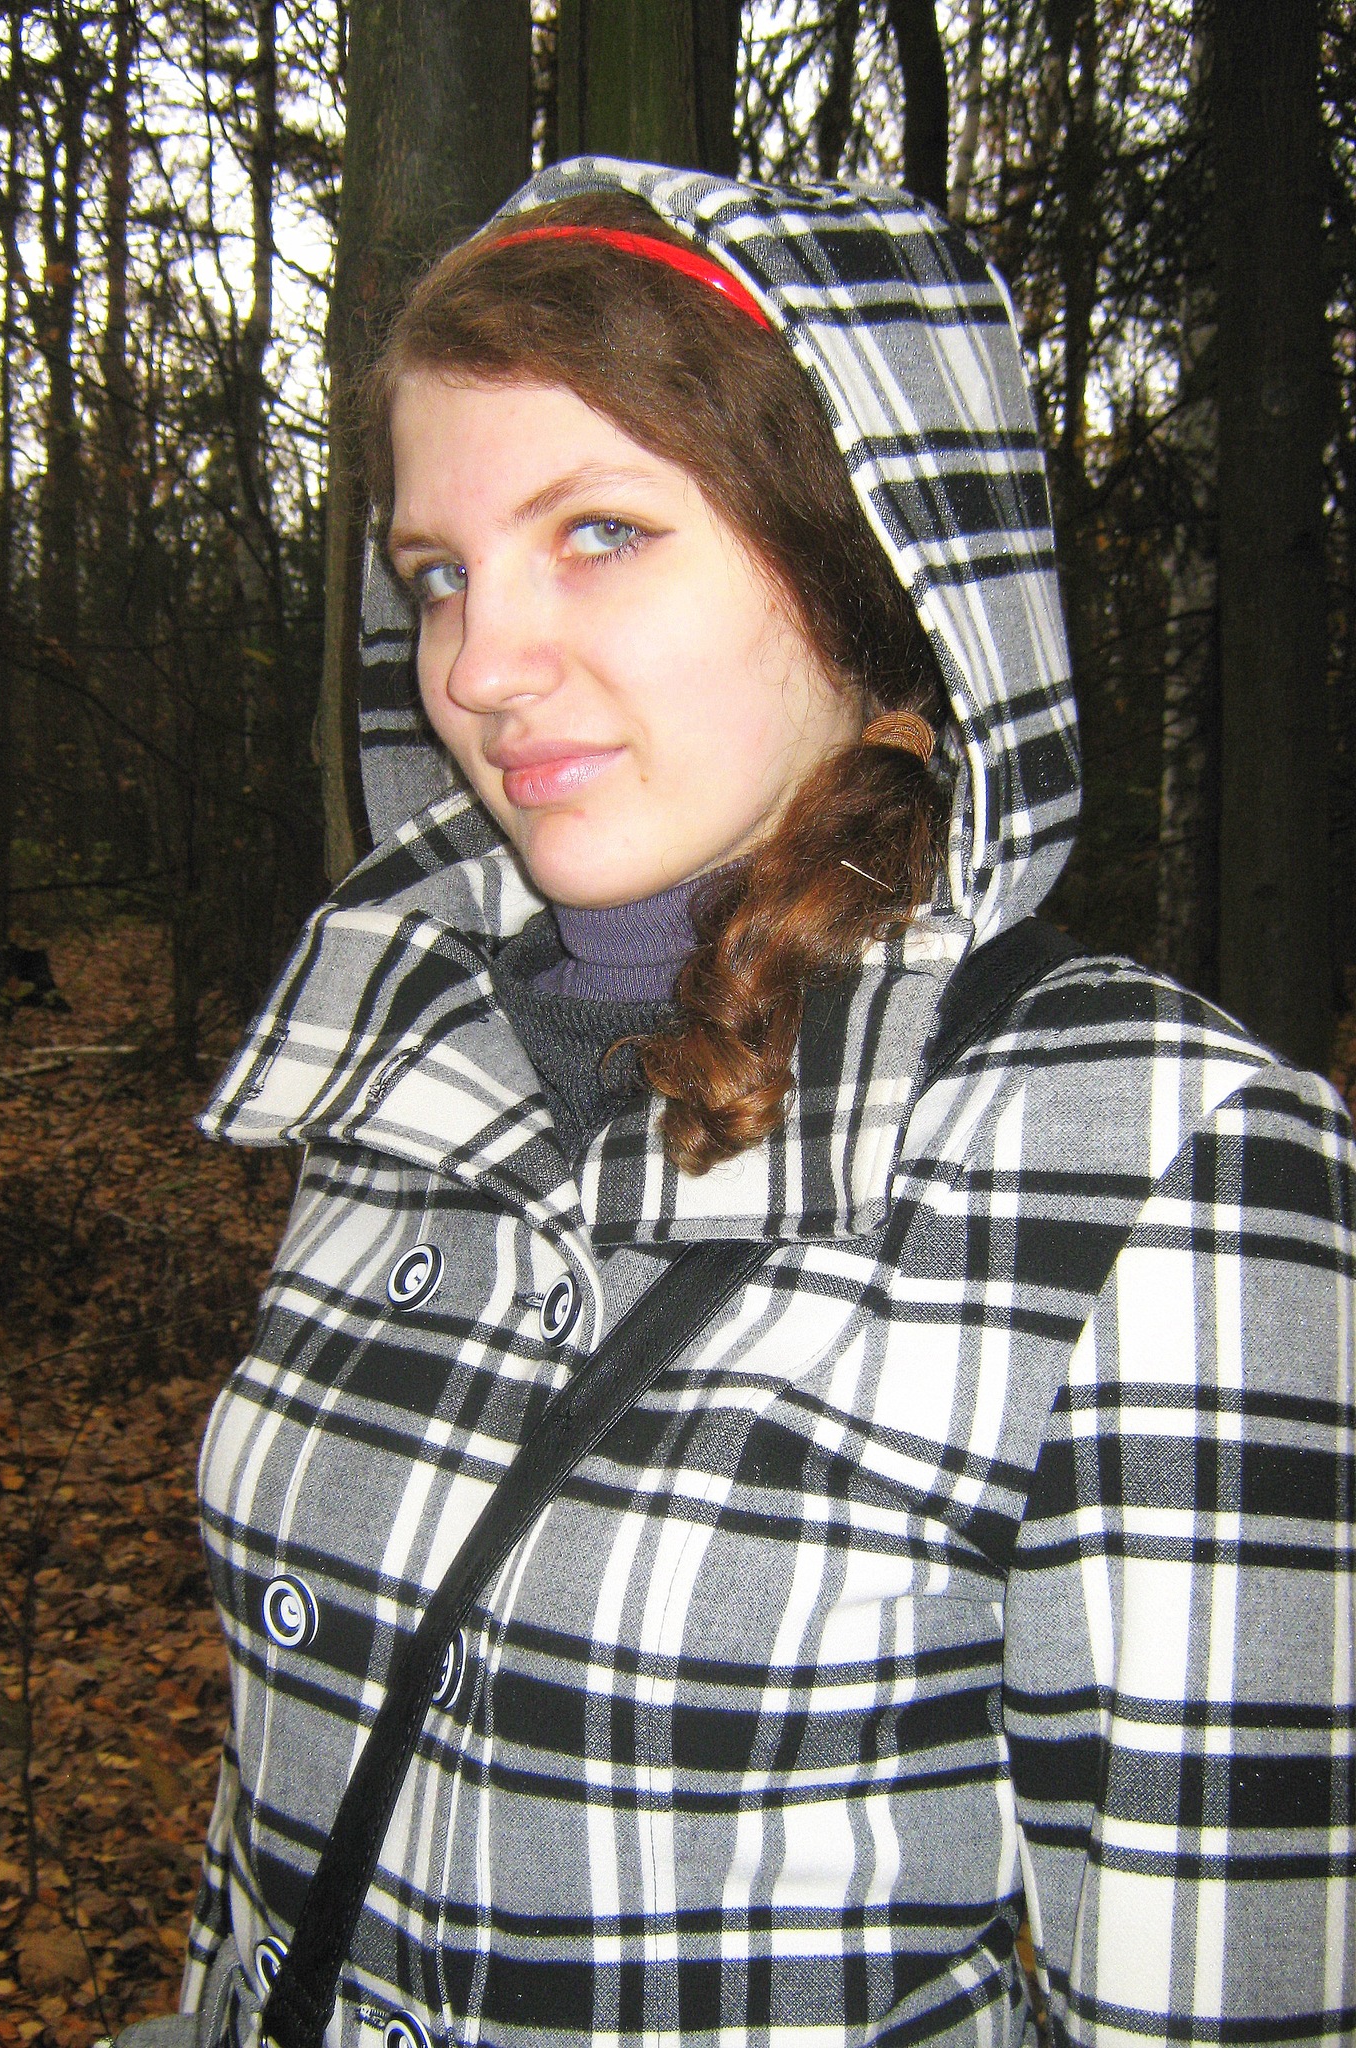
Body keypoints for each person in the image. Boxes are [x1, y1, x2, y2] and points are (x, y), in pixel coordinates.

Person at [127, 161, 1355, 2047]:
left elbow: (1228, 2000)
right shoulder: (414, 1055)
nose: (479, 667)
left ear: (860, 574)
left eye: (600, 531)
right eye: (439, 573)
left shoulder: (1155, 1167)